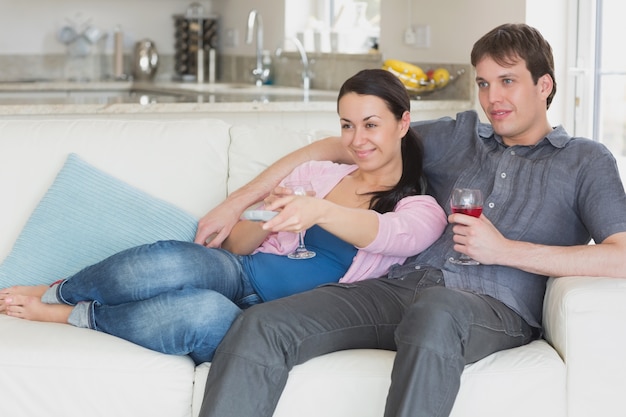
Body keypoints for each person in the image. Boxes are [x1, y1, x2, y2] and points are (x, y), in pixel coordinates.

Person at [194, 23, 626, 417]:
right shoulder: (459, 136)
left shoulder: (585, 161)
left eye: (507, 81)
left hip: (492, 307)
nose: (493, 98)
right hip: (398, 286)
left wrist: (506, 251)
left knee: (437, 311)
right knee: (263, 323)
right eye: (483, 83)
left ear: (543, 84)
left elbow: (621, 257)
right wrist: (237, 204)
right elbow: (333, 146)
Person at [0, 69, 447, 365]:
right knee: (172, 261)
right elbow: (236, 246)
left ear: (403, 124)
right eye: (347, 125)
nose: (356, 138)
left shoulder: (419, 209)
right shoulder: (319, 174)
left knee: (199, 312)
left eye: (370, 124)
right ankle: (60, 289)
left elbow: (385, 234)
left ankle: (75, 315)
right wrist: (264, 209)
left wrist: (318, 211)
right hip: (240, 271)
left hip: (276, 320)